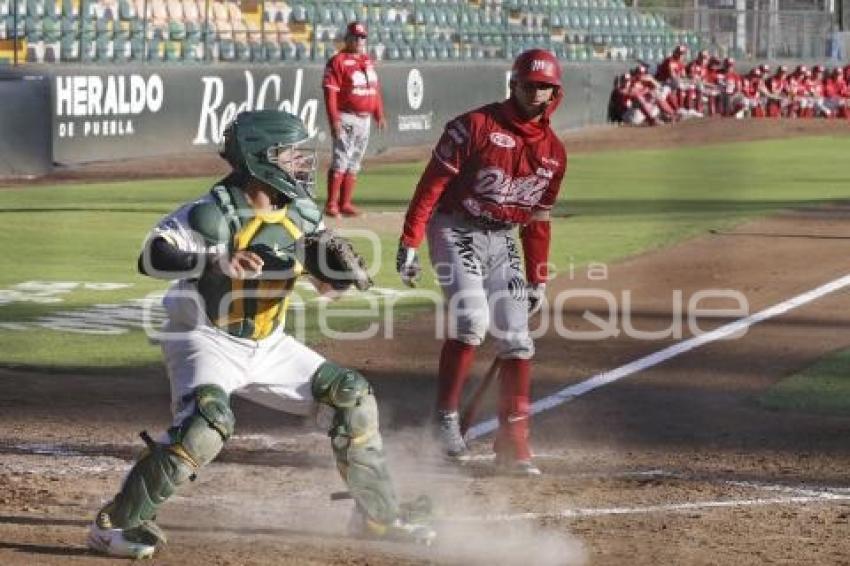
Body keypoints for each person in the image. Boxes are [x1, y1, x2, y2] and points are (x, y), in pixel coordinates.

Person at [86, 110, 435, 559]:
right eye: (290, 154)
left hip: (266, 341)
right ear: (260, 159)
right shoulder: (213, 213)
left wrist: (334, 280)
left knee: (352, 397)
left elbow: (322, 278)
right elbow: (152, 256)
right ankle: (116, 524)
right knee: (206, 425)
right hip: (203, 335)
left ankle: (377, 517)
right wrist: (212, 262)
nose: (301, 163)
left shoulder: (303, 213)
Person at [395, 49, 567, 476]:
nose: (536, 93)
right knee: (472, 319)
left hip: (502, 237)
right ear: (514, 84)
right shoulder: (473, 126)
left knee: (517, 339)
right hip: (455, 227)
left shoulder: (554, 153)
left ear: (554, 93)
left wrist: (538, 277)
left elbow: (538, 221)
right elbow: (431, 186)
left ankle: (514, 440)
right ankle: (445, 420)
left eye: (544, 86)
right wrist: (410, 240)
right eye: (529, 84)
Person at [322, 21, 386, 218]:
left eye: (362, 37)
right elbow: (330, 93)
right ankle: (332, 204)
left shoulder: (367, 60)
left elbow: (374, 91)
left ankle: (345, 203)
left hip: (365, 120)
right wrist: (334, 120)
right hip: (346, 116)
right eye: (356, 36)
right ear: (347, 38)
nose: (359, 40)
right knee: (341, 159)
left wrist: (379, 114)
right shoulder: (337, 61)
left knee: (355, 161)